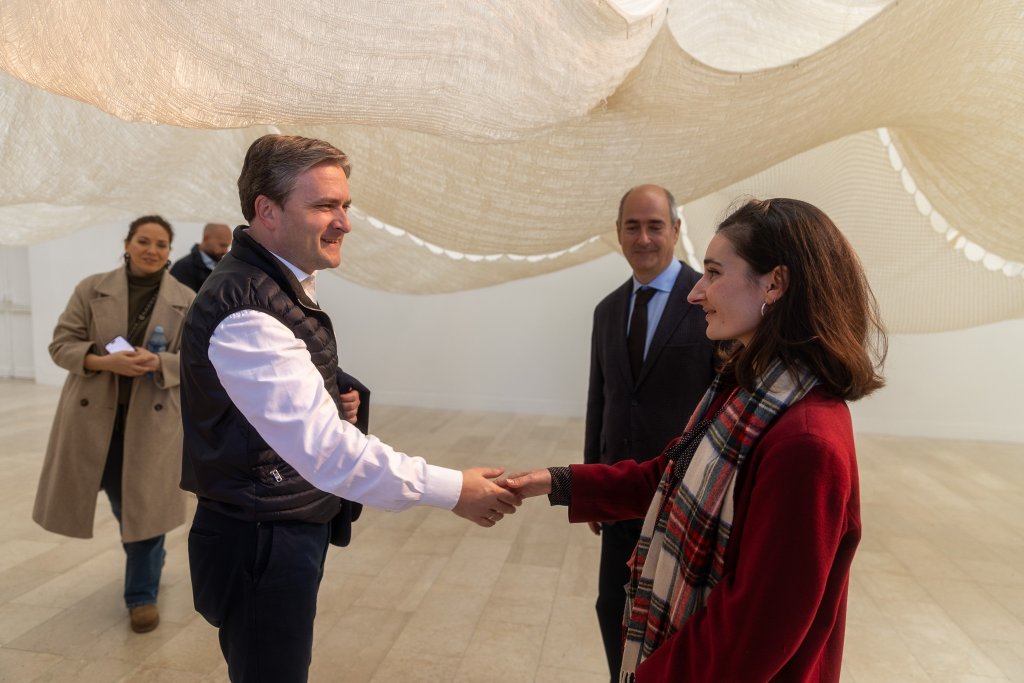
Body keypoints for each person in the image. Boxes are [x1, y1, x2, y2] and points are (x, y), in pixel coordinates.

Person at [180, 134, 521, 683]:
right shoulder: (247, 308)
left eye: (345, 205)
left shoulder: (278, 283)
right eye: (324, 206)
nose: (344, 223)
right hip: (262, 536)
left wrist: (332, 390)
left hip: (281, 520)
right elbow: (326, 451)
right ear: (267, 211)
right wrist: (454, 489)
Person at [503, 198, 886, 682]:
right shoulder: (748, 390)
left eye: (714, 273)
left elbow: (751, 634)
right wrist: (554, 482)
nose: (695, 292)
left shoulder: (806, 441)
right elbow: (670, 475)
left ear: (774, 283)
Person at [33, 215, 195, 634]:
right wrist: (106, 362)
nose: (151, 250)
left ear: (169, 252)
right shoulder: (91, 289)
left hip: (152, 423)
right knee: (125, 506)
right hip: (92, 421)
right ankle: (150, 560)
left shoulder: (186, 299)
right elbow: (60, 345)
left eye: (161, 244)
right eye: (143, 241)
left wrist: (158, 361)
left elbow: (198, 362)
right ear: (127, 244)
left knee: (145, 507)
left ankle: (141, 595)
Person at [585, 184, 715, 680]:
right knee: (611, 607)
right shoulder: (607, 310)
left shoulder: (707, 301)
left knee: (676, 617)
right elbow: (601, 399)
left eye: (655, 226)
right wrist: (592, 480)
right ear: (618, 233)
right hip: (619, 494)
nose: (643, 238)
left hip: (684, 496)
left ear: (676, 230)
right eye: (633, 226)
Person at [169, 222, 233, 291]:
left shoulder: (226, 267)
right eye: (222, 245)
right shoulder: (182, 267)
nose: (225, 251)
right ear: (206, 238)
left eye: (227, 246)